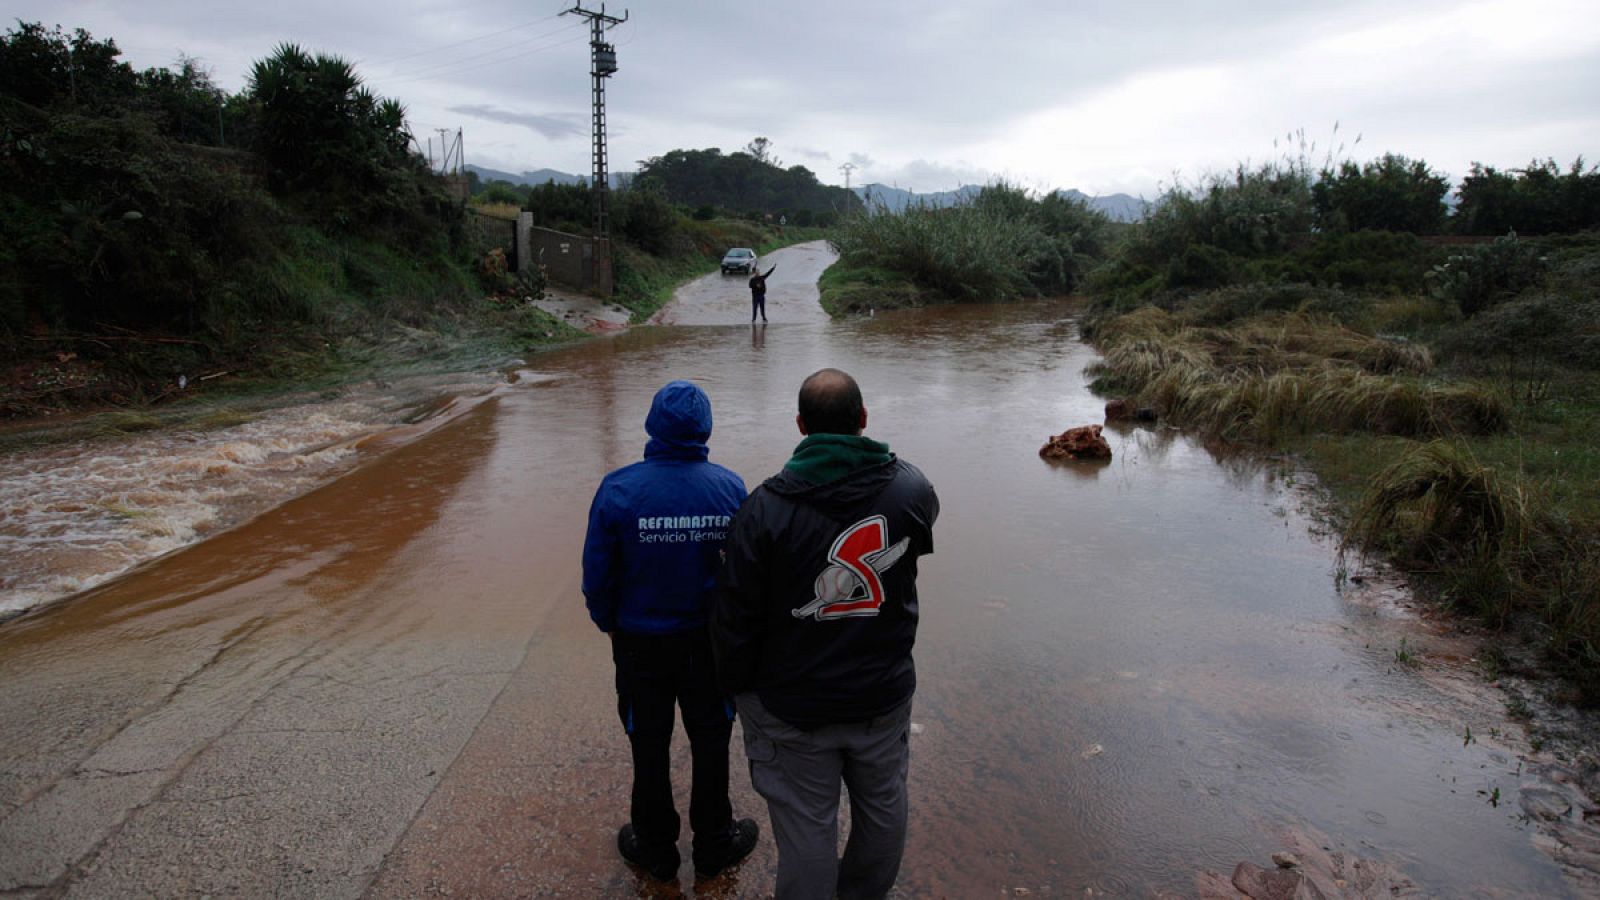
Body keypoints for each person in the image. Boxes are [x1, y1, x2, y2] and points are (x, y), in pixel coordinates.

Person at [713, 368, 940, 899]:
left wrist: (741, 691)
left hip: (793, 706)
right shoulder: (911, 489)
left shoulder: (763, 510)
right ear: (863, 419)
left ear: (800, 426)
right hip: (880, 696)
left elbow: (734, 619)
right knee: (883, 810)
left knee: (807, 828)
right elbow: (916, 540)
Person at [582, 380, 760, 883]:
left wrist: (608, 623)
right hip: (708, 644)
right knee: (711, 740)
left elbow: (598, 575)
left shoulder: (619, 488)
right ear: (705, 429)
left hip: (640, 643)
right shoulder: (729, 487)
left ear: (652, 425)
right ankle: (714, 843)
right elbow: (743, 575)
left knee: (648, 741)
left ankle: (655, 849)